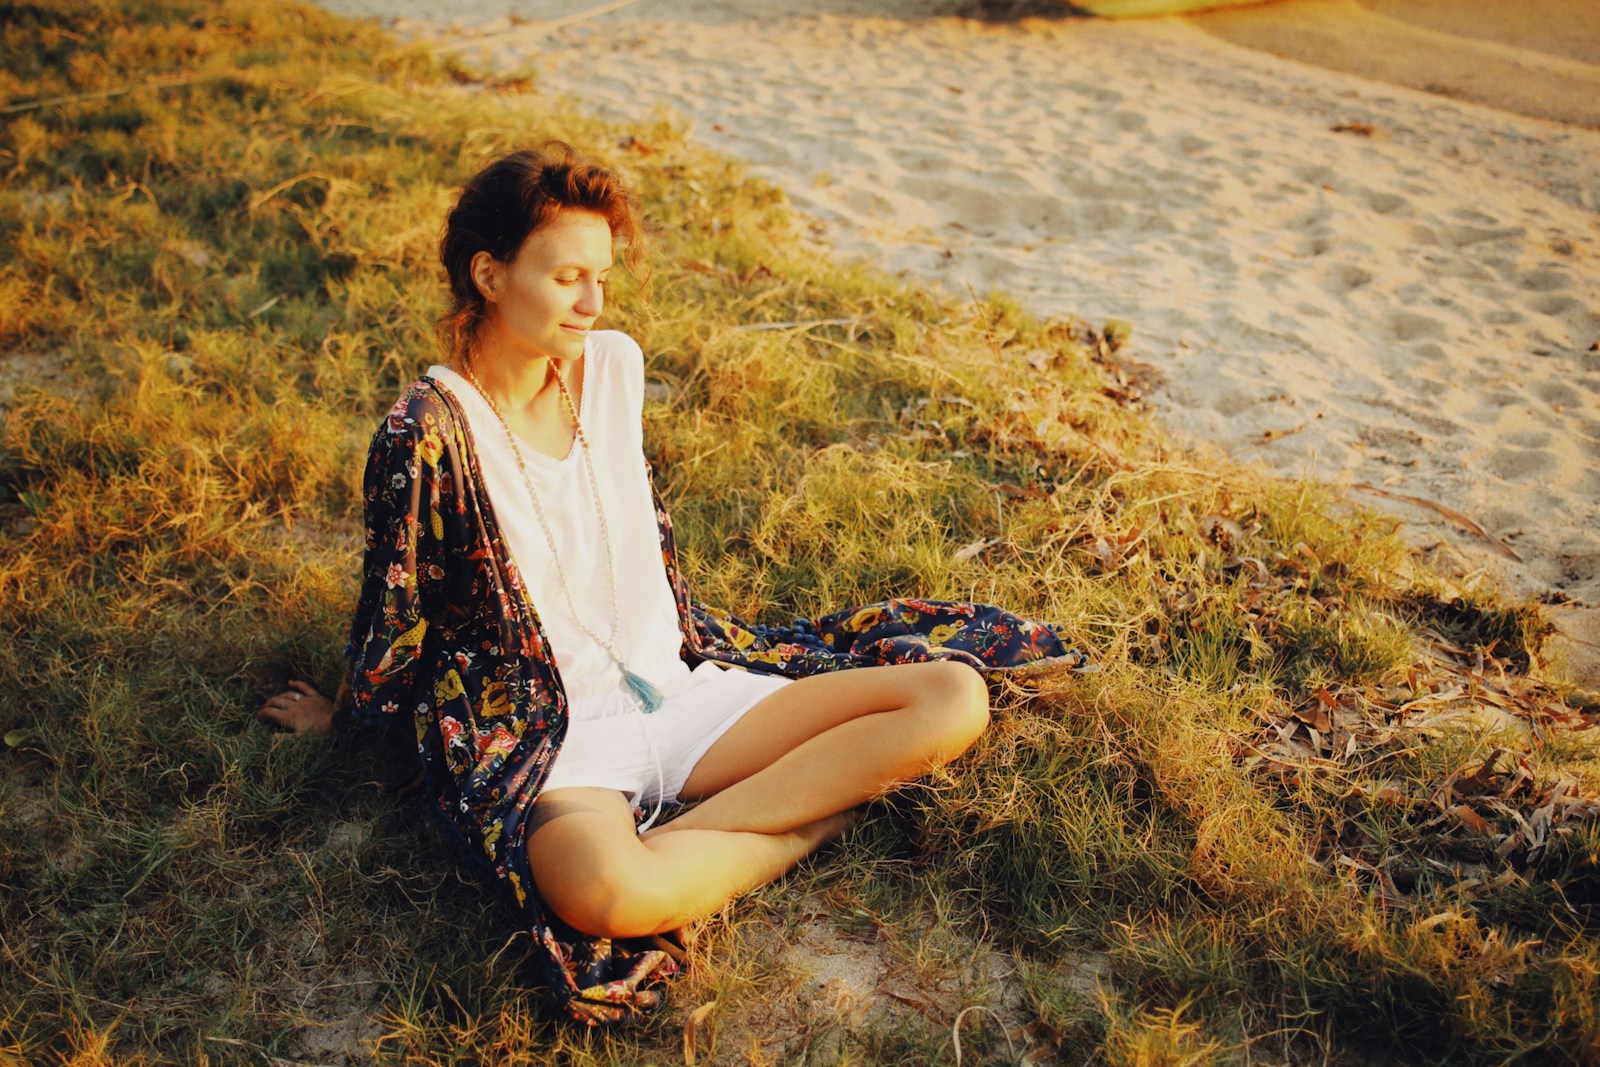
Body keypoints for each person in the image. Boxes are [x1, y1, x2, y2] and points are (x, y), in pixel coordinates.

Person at [259, 144, 1085, 1025]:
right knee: (606, 893)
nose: (592, 302)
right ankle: (818, 816)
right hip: (558, 743)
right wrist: (347, 718)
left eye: (601, 276)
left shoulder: (612, 370)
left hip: (682, 690)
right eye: (568, 275)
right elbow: (398, 609)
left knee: (953, 694)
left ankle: (692, 847)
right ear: (489, 274)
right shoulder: (427, 431)